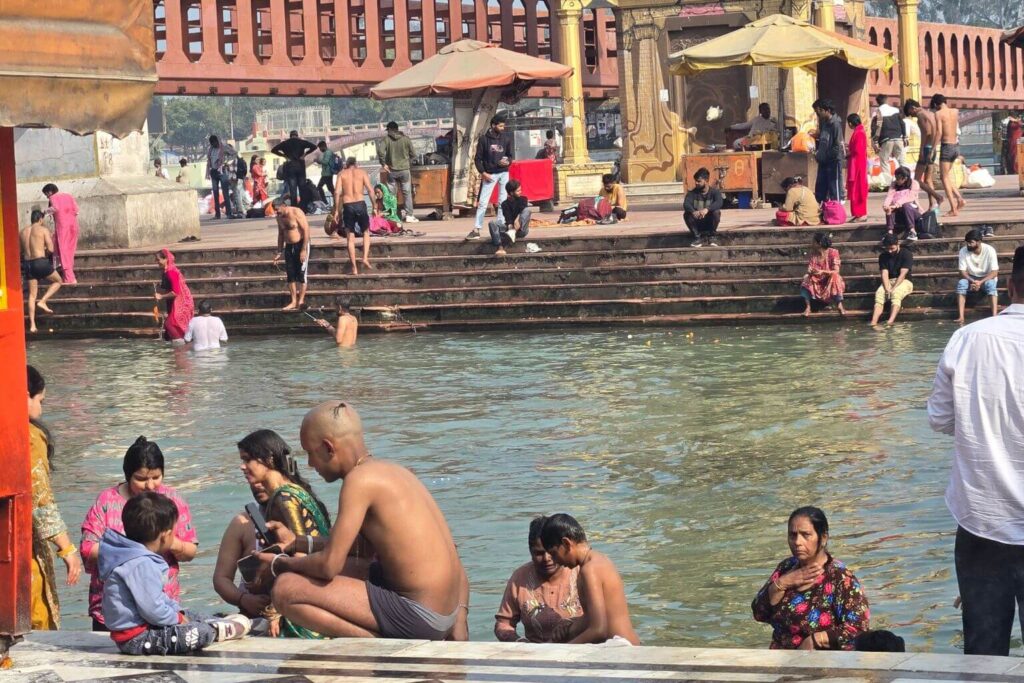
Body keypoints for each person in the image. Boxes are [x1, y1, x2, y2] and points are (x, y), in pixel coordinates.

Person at [254, 401, 470, 640]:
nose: (310, 464)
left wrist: (279, 564)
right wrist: (297, 544)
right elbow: (359, 550)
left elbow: (328, 566)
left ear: (328, 447)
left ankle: (380, 644)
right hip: (445, 614)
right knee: (354, 567)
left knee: (285, 589)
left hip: (420, 617)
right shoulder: (394, 471)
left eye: (310, 453)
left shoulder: (358, 481)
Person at [927, 246, 1024, 656]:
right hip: (983, 522)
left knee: (984, 657)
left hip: (982, 523)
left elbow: (940, 420)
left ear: (1011, 284)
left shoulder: (966, 339)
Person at [214, 429, 333, 639]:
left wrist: (277, 608)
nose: (242, 467)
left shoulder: (284, 497)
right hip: (316, 601)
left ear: (269, 459)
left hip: (299, 609)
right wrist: (244, 599)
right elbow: (221, 579)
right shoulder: (296, 495)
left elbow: (299, 555)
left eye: (247, 459)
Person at [99, 492, 250, 654]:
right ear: (165, 536)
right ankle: (214, 630)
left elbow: (159, 598)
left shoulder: (135, 556)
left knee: (188, 614)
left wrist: (179, 614)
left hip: (148, 626)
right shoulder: (140, 564)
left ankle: (215, 621)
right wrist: (178, 620)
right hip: (138, 638)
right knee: (199, 633)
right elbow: (152, 609)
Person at [81, 436, 198, 631]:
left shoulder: (173, 500)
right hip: (116, 613)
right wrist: (134, 552)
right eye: (141, 479)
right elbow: (88, 550)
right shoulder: (107, 501)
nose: (150, 486)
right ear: (128, 475)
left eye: (156, 477)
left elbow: (190, 551)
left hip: (162, 605)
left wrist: (168, 542)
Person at [751, 506, 870, 650]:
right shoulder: (786, 567)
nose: (797, 542)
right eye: (793, 535)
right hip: (781, 659)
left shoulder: (840, 578)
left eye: (805, 535)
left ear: (823, 537)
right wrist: (782, 583)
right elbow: (759, 613)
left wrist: (815, 640)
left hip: (822, 664)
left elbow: (858, 629)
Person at [27, 365, 81, 630]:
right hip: (21, 543)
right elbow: (40, 499)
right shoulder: (29, 436)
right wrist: (67, 548)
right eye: (40, 401)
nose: (41, 409)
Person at [539, 513, 639, 645]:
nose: (555, 560)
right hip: (628, 644)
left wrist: (564, 650)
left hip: (621, 650)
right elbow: (599, 616)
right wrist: (571, 624)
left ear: (566, 543)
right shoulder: (600, 559)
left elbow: (599, 630)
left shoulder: (589, 570)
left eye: (554, 554)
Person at [495, 516, 583, 644]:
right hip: (536, 653)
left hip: (579, 649)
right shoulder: (519, 578)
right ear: (530, 552)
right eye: (539, 553)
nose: (547, 558)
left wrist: (573, 623)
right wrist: (520, 642)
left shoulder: (580, 573)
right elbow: (503, 624)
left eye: (551, 552)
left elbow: (600, 618)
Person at [468, 113, 515, 240]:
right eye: (500, 126)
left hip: (504, 173)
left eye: (503, 126)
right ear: (493, 125)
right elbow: (477, 159)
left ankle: (500, 226)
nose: (502, 128)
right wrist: (483, 173)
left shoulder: (506, 138)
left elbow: (510, 155)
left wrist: (508, 161)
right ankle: (477, 229)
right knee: (483, 202)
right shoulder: (484, 140)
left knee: (502, 201)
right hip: (490, 174)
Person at [20, 208, 63, 333]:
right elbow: (50, 248)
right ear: (40, 219)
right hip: (40, 262)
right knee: (58, 281)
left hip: (28, 264)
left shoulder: (22, 232)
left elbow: (20, 251)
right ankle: (43, 301)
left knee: (32, 295)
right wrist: (43, 251)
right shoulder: (43, 230)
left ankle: (33, 326)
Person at [331, 157, 374, 275]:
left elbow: (336, 192)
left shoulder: (341, 174)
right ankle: (365, 258)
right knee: (366, 232)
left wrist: (336, 211)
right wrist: (375, 206)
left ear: (346, 165)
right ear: (356, 164)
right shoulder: (362, 172)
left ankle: (354, 268)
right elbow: (370, 190)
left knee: (350, 237)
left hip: (348, 205)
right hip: (360, 203)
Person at [903, 100, 943, 213]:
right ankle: (931, 205)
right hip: (933, 148)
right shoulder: (930, 114)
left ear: (912, 108)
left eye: (911, 113)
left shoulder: (920, 115)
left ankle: (938, 197)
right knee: (927, 179)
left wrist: (921, 150)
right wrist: (933, 148)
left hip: (926, 148)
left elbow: (926, 132)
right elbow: (937, 131)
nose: (912, 116)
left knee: (916, 179)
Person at [272, 203, 311, 311]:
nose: (277, 212)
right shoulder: (279, 217)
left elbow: (306, 230)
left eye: (278, 209)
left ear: (284, 206)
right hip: (289, 246)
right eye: (275, 210)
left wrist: (303, 250)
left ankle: (301, 301)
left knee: (302, 273)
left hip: (301, 243)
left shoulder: (296, 212)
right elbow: (280, 234)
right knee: (290, 274)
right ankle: (293, 301)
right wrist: (279, 252)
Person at [955, 229, 999, 322]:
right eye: (967, 242)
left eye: (971, 242)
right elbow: (962, 272)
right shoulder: (963, 251)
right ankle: (961, 317)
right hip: (971, 278)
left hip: (986, 278)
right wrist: (972, 281)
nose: (968, 245)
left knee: (991, 285)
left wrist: (980, 282)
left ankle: (994, 315)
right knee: (961, 283)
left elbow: (994, 272)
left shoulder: (990, 250)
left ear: (979, 242)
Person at [932, 94, 965, 216]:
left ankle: (953, 208)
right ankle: (960, 199)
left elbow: (939, 132)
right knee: (947, 176)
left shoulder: (938, 114)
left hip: (946, 147)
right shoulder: (955, 111)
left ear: (936, 104)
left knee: (944, 178)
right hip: (956, 146)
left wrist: (933, 148)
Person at [378, 121, 418, 222]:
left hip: (391, 171)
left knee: (392, 194)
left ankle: (394, 215)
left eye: (388, 130)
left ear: (390, 130)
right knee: (407, 193)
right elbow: (413, 154)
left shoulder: (386, 140)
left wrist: (384, 164)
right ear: (397, 129)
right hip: (404, 170)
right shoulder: (406, 139)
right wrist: (408, 162)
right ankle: (409, 215)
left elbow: (380, 152)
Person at [870, 233, 913, 326]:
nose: (890, 251)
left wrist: (892, 289)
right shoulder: (883, 256)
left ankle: (890, 321)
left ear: (898, 244)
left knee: (896, 293)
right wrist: (886, 289)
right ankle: (873, 322)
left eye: (892, 248)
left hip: (905, 281)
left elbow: (903, 274)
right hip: (889, 280)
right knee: (879, 294)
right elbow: (884, 273)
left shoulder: (906, 254)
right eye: (887, 249)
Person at [800, 232, 846, 317]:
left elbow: (836, 271)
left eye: (813, 241)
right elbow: (810, 268)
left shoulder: (833, 252)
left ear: (819, 243)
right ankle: (808, 307)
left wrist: (822, 271)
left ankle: (840, 305)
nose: (812, 243)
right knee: (806, 277)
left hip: (830, 282)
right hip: (817, 281)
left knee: (836, 277)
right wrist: (810, 271)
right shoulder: (813, 254)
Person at [154, 248, 194, 343]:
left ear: (166, 259)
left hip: (181, 302)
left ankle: (182, 349)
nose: (156, 262)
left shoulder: (171, 272)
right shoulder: (166, 271)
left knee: (170, 324)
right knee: (168, 333)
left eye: (158, 259)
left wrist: (161, 296)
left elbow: (175, 292)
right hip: (172, 302)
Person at [41, 183, 79, 284]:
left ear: (49, 192)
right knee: (70, 251)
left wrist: (45, 212)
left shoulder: (53, 197)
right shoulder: (69, 196)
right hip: (74, 226)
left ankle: (70, 278)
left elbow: (56, 208)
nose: (47, 196)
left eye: (46, 194)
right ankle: (69, 276)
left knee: (64, 251)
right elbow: (76, 210)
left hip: (63, 228)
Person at [811, 98, 845, 203]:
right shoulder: (824, 124)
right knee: (820, 189)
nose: (817, 115)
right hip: (823, 162)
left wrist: (826, 156)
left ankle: (836, 213)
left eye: (819, 112)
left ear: (827, 110)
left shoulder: (835, 124)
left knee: (834, 189)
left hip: (833, 162)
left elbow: (837, 146)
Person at [272, 130, 317, 208]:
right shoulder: (301, 142)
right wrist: (305, 154)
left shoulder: (285, 143)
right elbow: (314, 147)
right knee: (302, 188)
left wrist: (284, 156)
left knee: (293, 190)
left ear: (290, 136)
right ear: (297, 135)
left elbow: (273, 150)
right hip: (300, 167)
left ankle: (294, 208)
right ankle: (303, 208)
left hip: (290, 168)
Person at [488, 179, 531, 257]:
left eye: (520, 190)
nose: (520, 192)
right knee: (492, 223)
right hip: (510, 229)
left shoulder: (523, 199)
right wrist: (510, 226)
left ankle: (513, 233)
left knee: (527, 211)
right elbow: (508, 218)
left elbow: (523, 210)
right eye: (518, 191)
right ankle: (500, 246)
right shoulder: (505, 204)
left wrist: (517, 219)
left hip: (521, 229)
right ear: (511, 193)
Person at [682, 167, 723, 247]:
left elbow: (719, 202)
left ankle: (712, 236)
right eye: (696, 181)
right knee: (686, 214)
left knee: (716, 212)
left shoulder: (715, 192)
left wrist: (707, 209)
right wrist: (693, 211)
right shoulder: (692, 193)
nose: (696, 183)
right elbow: (686, 204)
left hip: (710, 222)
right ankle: (697, 238)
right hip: (697, 222)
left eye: (699, 181)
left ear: (706, 181)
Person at [870, 94, 908, 171]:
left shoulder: (877, 112)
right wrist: (905, 137)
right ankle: (906, 178)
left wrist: (875, 142)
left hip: (886, 139)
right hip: (898, 138)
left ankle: (887, 180)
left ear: (877, 102)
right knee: (902, 161)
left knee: (884, 161)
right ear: (887, 100)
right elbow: (902, 124)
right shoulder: (896, 110)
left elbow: (876, 128)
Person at [882, 167, 921, 240]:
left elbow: (910, 197)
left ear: (905, 178)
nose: (896, 180)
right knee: (889, 209)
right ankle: (889, 232)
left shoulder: (914, 183)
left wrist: (896, 204)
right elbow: (890, 196)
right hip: (899, 214)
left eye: (898, 178)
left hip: (912, 213)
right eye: (895, 178)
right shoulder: (894, 184)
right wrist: (886, 205)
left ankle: (912, 231)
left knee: (905, 205)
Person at [845, 113, 868, 222]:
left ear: (850, 123)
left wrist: (849, 153)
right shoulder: (859, 132)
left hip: (857, 165)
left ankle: (861, 213)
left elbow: (858, 151)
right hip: (857, 163)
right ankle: (857, 213)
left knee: (858, 190)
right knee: (856, 189)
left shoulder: (859, 133)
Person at [206, 135, 228, 219]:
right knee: (215, 193)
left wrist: (226, 162)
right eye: (212, 144)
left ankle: (229, 213)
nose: (214, 145)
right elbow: (209, 160)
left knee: (225, 193)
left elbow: (234, 154)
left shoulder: (224, 147)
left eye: (214, 143)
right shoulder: (210, 149)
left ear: (217, 141)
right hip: (214, 171)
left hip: (222, 171)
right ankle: (217, 214)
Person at [315, 141, 337, 205]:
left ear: (323, 146)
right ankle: (336, 202)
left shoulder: (327, 152)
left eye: (320, 148)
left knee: (319, 187)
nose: (320, 150)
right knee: (331, 189)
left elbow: (325, 162)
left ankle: (325, 202)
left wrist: (318, 160)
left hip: (327, 174)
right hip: (327, 173)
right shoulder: (328, 152)